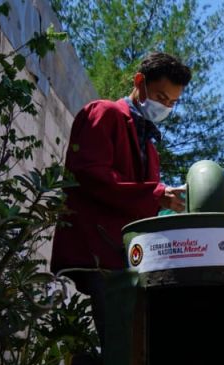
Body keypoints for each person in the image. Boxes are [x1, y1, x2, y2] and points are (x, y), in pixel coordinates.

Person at [51, 52, 191, 342]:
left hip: (127, 257)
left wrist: (165, 205)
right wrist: (156, 195)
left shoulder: (150, 147)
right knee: (121, 343)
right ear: (139, 81)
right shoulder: (103, 113)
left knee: (132, 344)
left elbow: (142, 202)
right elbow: (90, 176)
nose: (164, 106)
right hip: (99, 250)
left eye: (171, 103)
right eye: (160, 96)